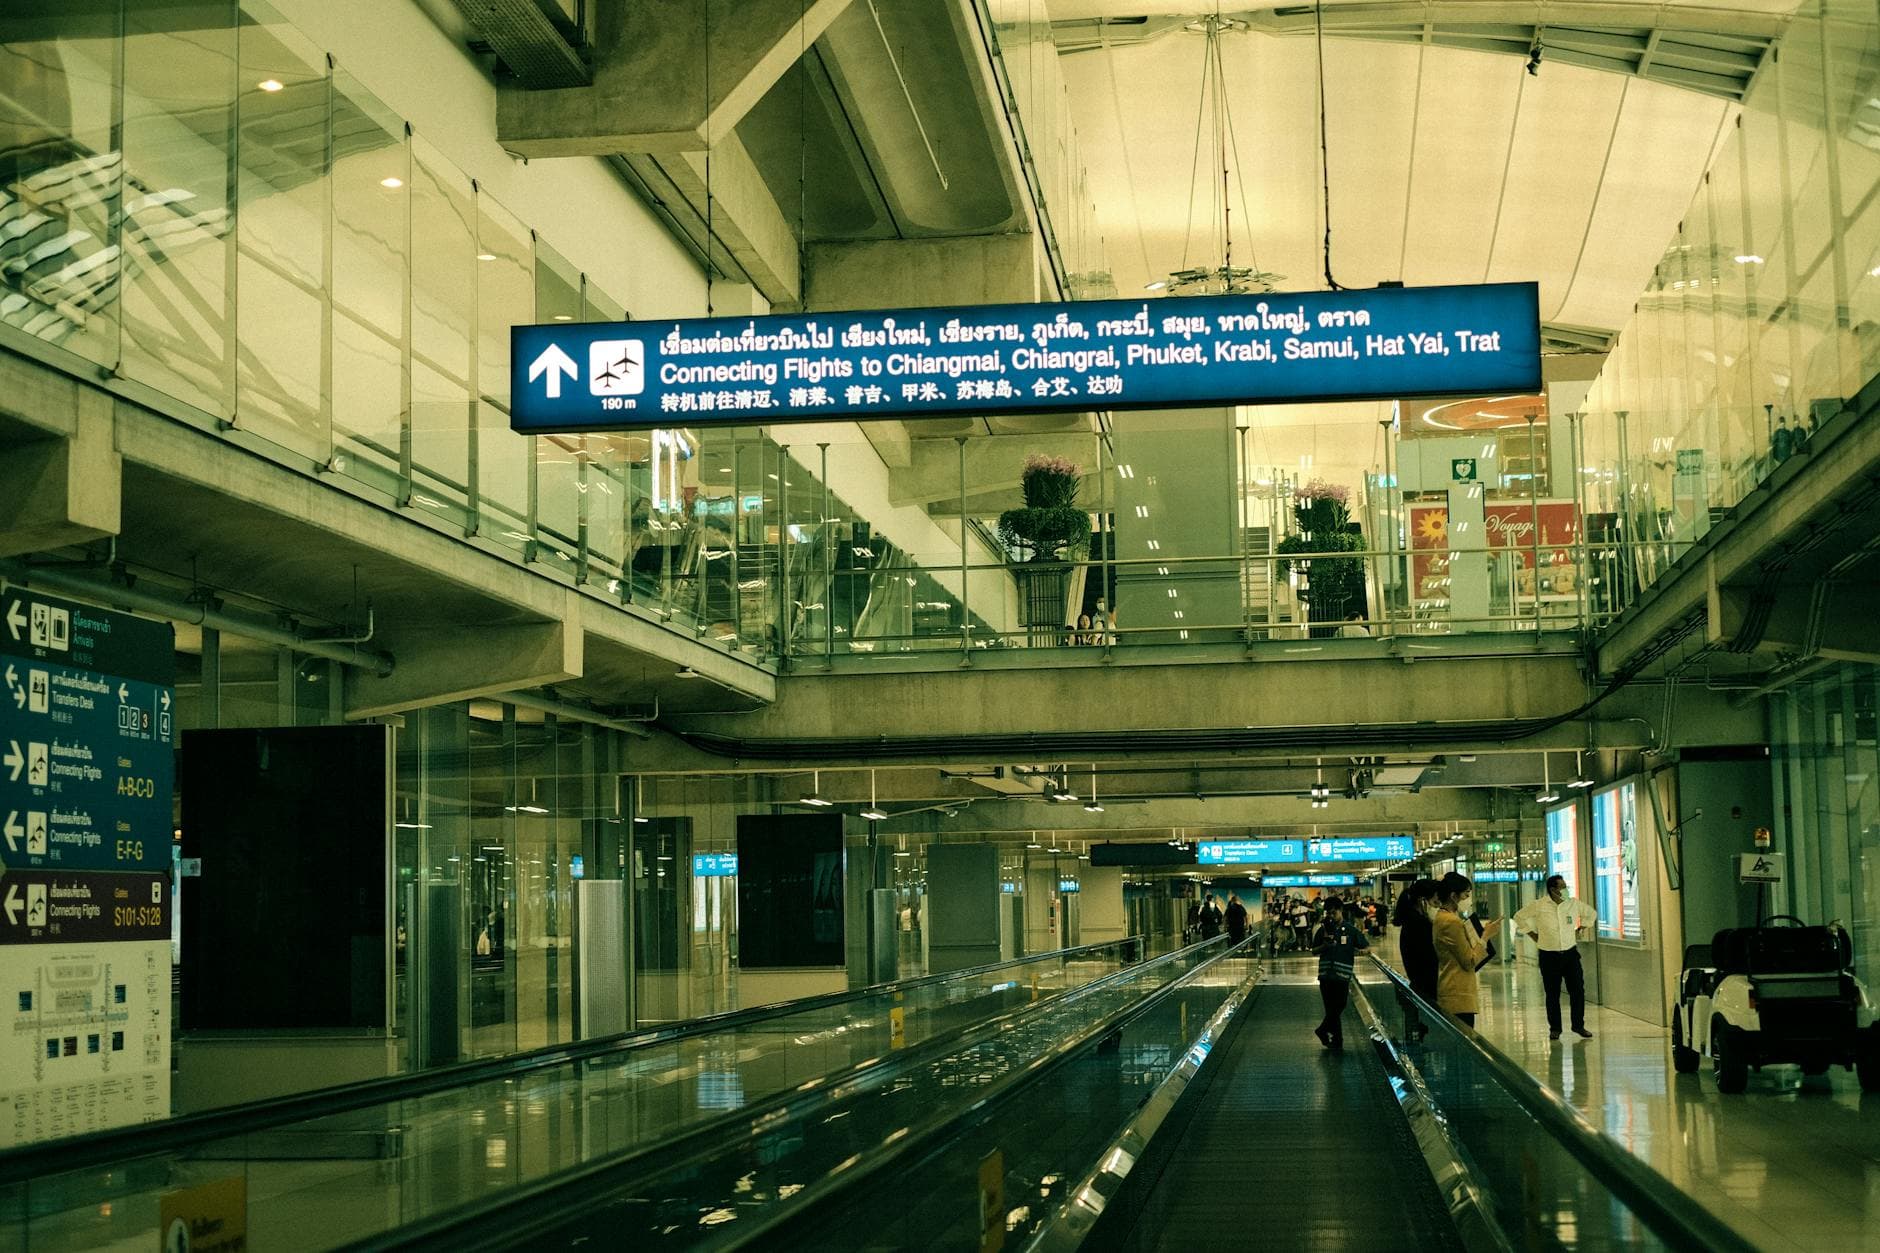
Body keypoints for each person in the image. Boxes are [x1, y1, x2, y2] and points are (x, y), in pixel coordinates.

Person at [1513, 874, 1598, 1040]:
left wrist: (1582, 928)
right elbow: (1518, 917)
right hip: (1548, 955)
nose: (1566, 890)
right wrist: (1531, 934)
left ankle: (1578, 1025)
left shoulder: (1573, 904)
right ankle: (1555, 1028)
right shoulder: (1540, 905)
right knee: (1552, 993)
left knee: (1578, 991)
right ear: (1553, 889)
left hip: (1570, 954)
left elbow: (1591, 913)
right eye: (1563, 887)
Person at [1433, 873, 1498, 1027]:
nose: (1469, 899)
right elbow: (1469, 961)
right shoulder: (1452, 922)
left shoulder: (1442, 917)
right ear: (1453, 896)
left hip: (1452, 990)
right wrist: (1485, 936)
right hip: (1458, 994)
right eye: (1466, 894)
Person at [1311, 898, 1370, 1048]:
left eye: (1334, 912)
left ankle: (1323, 1030)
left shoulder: (1350, 930)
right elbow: (1313, 950)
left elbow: (1366, 946)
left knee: (1340, 1005)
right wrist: (1325, 946)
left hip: (1342, 974)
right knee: (1331, 1009)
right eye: (1329, 913)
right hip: (1325, 974)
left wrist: (1363, 951)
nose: (1331, 916)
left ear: (1340, 910)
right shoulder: (1322, 929)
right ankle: (1337, 1041)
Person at [1392, 879, 1440, 1041]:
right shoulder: (1417, 923)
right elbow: (1429, 953)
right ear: (1422, 900)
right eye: (1435, 899)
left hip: (1420, 981)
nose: (1437, 904)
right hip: (1426, 983)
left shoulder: (1412, 921)